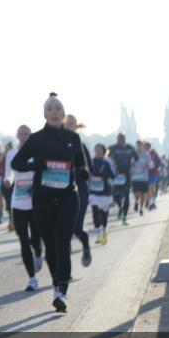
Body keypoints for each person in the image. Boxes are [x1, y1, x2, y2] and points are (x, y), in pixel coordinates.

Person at [10, 93, 89, 313]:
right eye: (50, 109)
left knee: (63, 243)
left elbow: (82, 165)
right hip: (42, 199)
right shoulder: (36, 139)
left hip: (67, 197)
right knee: (51, 248)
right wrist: (36, 167)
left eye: (58, 109)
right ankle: (56, 283)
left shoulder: (73, 138)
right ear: (44, 114)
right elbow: (17, 162)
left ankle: (61, 291)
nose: (54, 112)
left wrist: (83, 173)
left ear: (63, 114)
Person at [5, 125, 44, 291]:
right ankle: (32, 279)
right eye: (21, 133)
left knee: (35, 238)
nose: (24, 136)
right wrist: (7, 181)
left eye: (27, 133)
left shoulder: (38, 153)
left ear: (31, 135)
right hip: (18, 202)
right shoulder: (12, 154)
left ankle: (38, 252)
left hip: (34, 203)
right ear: (17, 135)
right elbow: (9, 173)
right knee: (23, 241)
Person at [63, 114, 92, 268]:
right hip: (62, 190)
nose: (69, 125)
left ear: (76, 126)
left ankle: (85, 243)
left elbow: (89, 170)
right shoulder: (57, 144)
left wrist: (81, 172)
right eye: (67, 123)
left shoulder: (80, 145)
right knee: (63, 230)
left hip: (80, 189)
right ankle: (66, 270)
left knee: (76, 228)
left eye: (72, 123)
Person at [88, 144, 117, 245]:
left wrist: (105, 175)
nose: (97, 151)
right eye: (96, 149)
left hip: (105, 192)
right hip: (93, 191)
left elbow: (113, 175)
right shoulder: (91, 161)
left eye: (99, 150)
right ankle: (98, 234)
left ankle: (104, 231)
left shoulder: (107, 162)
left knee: (104, 214)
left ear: (103, 151)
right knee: (95, 210)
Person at [107, 134, 138, 225]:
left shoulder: (130, 148)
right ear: (117, 139)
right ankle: (120, 208)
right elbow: (107, 158)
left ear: (125, 139)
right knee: (116, 195)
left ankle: (124, 217)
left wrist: (133, 166)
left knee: (126, 195)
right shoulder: (113, 148)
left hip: (127, 175)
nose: (121, 140)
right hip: (116, 175)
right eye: (119, 139)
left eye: (122, 138)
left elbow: (136, 158)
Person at [131, 140, 150, 216]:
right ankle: (136, 202)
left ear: (142, 146)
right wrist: (133, 166)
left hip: (143, 177)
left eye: (140, 145)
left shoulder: (146, 154)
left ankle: (141, 208)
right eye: (137, 145)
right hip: (135, 177)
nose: (139, 147)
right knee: (137, 193)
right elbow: (131, 163)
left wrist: (146, 167)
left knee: (142, 193)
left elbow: (149, 164)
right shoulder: (133, 154)